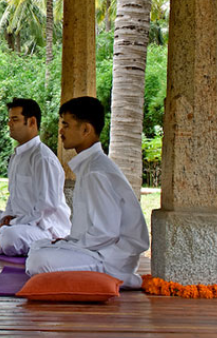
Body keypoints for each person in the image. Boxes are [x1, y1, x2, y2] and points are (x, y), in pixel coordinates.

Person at [26, 96, 149, 289]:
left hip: (110, 259)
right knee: (38, 248)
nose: (61, 131)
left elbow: (106, 233)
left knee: (38, 261)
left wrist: (68, 246)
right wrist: (66, 242)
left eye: (66, 125)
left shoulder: (96, 171)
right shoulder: (91, 165)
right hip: (96, 251)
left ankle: (121, 279)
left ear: (86, 130)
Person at [0, 98, 70, 256]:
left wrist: (13, 223)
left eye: (15, 119)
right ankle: (4, 242)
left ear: (31, 122)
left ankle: (3, 241)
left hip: (44, 229)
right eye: (9, 119)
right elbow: (13, 196)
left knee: (11, 235)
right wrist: (6, 217)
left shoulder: (42, 158)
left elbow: (47, 207)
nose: (9, 124)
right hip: (17, 223)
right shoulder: (16, 156)